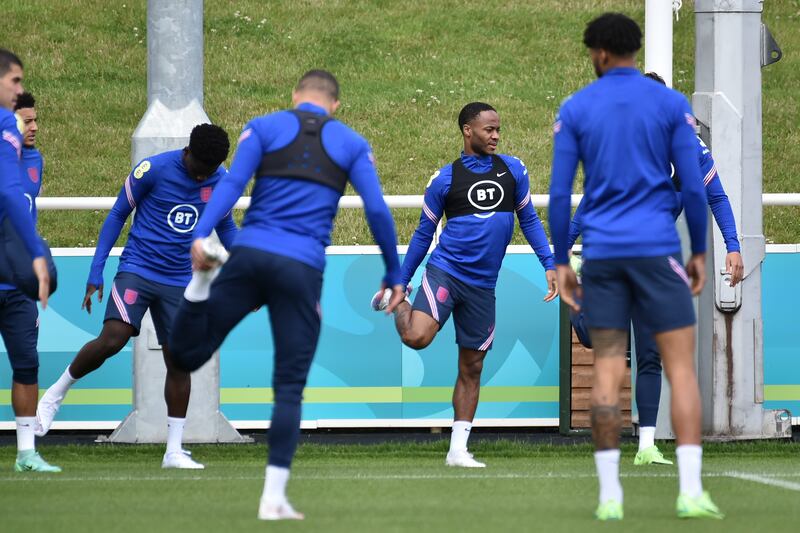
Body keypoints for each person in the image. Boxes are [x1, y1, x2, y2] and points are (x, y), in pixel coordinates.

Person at [167, 70, 405, 520]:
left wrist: (200, 233)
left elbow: (233, 185)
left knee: (185, 356)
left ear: (296, 97)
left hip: (249, 256)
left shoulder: (264, 125)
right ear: (335, 105)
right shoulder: (352, 143)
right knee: (289, 387)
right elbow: (376, 209)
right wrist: (394, 270)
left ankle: (199, 284)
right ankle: (272, 497)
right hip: (301, 268)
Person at [549, 13, 723, 520]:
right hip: (657, 250)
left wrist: (562, 259)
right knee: (681, 368)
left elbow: (562, 195)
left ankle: (609, 496)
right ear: (633, 48)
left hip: (602, 254)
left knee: (607, 368)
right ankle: (690, 490)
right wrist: (697, 254)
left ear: (599, 53)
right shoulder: (672, 104)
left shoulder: (577, 107)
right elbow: (693, 187)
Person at [567, 71, 743, 467]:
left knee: (650, 352)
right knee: (601, 342)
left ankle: (646, 444)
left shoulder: (689, 148)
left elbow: (717, 196)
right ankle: (581, 312)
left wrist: (733, 247)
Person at [35, 124, 237, 470]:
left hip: (179, 280)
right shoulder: (153, 170)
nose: (204, 175)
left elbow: (228, 228)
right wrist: (96, 270)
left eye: (211, 169)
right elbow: (117, 214)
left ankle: (173, 451)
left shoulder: (221, 180)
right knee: (114, 338)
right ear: (187, 152)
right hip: (139, 269)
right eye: (200, 167)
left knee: (179, 360)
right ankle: (56, 393)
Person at [373, 102, 558, 468]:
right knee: (416, 338)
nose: (496, 136)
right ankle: (398, 303)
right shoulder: (445, 179)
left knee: (471, 367)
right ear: (467, 131)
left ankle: (457, 450)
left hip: (482, 286)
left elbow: (530, 220)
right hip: (446, 272)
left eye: (498, 130)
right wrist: (402, 281)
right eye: (489, 129)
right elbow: (424, 235)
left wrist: (549, 264)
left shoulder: (513, 170)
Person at [0, 52, 52, 472]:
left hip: (16, 284)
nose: (32, 128)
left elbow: (24, 213)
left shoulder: (35, 161)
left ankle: (26, 453)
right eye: (26, 120)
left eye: (35, 121)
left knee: (27, 363)